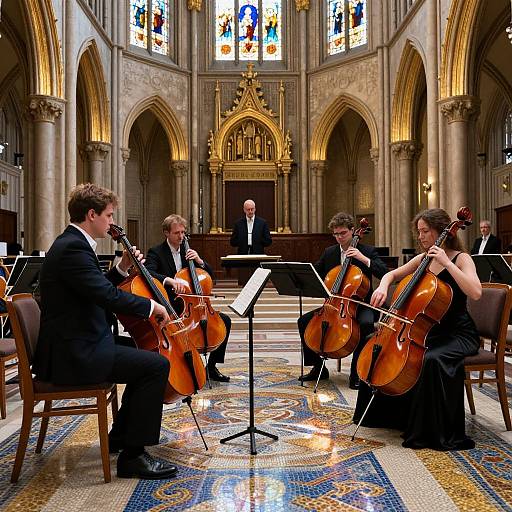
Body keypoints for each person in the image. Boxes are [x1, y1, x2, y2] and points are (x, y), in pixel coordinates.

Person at [33, 183, 178, 480]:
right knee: (157, 365)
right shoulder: (73, 248)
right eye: (109, 215)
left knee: (145, 352)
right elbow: (106, 296)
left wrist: (123, 269)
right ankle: (133, 456)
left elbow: (94, 288)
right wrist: (152, 308)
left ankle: (122, 436)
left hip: (79, 341)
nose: (112, 222)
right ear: (91, 214)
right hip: (75, 354)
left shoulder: (72, 244)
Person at [353, 208, 482, 451]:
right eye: (419, 231)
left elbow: (476, 292)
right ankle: (393, 418)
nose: (420, 237)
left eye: (425, 231)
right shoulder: (423, 259)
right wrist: (384, 286)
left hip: (458, 333)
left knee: (431, 360)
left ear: (441, 231)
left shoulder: (461, 258)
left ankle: (431, 431)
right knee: (379, 348)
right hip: (428, 331)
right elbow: (391, 273)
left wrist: (446, 262)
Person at [298, 212, 387, 388]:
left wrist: (363, 259)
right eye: (336, 234)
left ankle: (356, 373)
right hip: (334, 305)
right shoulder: (330, 252)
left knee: (365, 324)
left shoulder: (367, 251)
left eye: (343, 233)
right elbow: (316, 271)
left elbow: (384, 272)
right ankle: (318, 368)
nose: (339, 237)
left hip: (361, 304)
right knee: (304, 322)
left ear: (353, 231)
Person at [145, 214, 232, 382]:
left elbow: (209, 276)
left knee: (225, 321)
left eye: (183, 232)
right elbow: (148, 273)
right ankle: (183, 368)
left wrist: (200, 261)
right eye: (177, 233)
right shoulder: (156, 252)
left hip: (193, 305)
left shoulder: (188, 252)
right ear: (166, 233)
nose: (181, 236)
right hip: (171, 305)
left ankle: (211, 366)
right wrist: (168, 280)